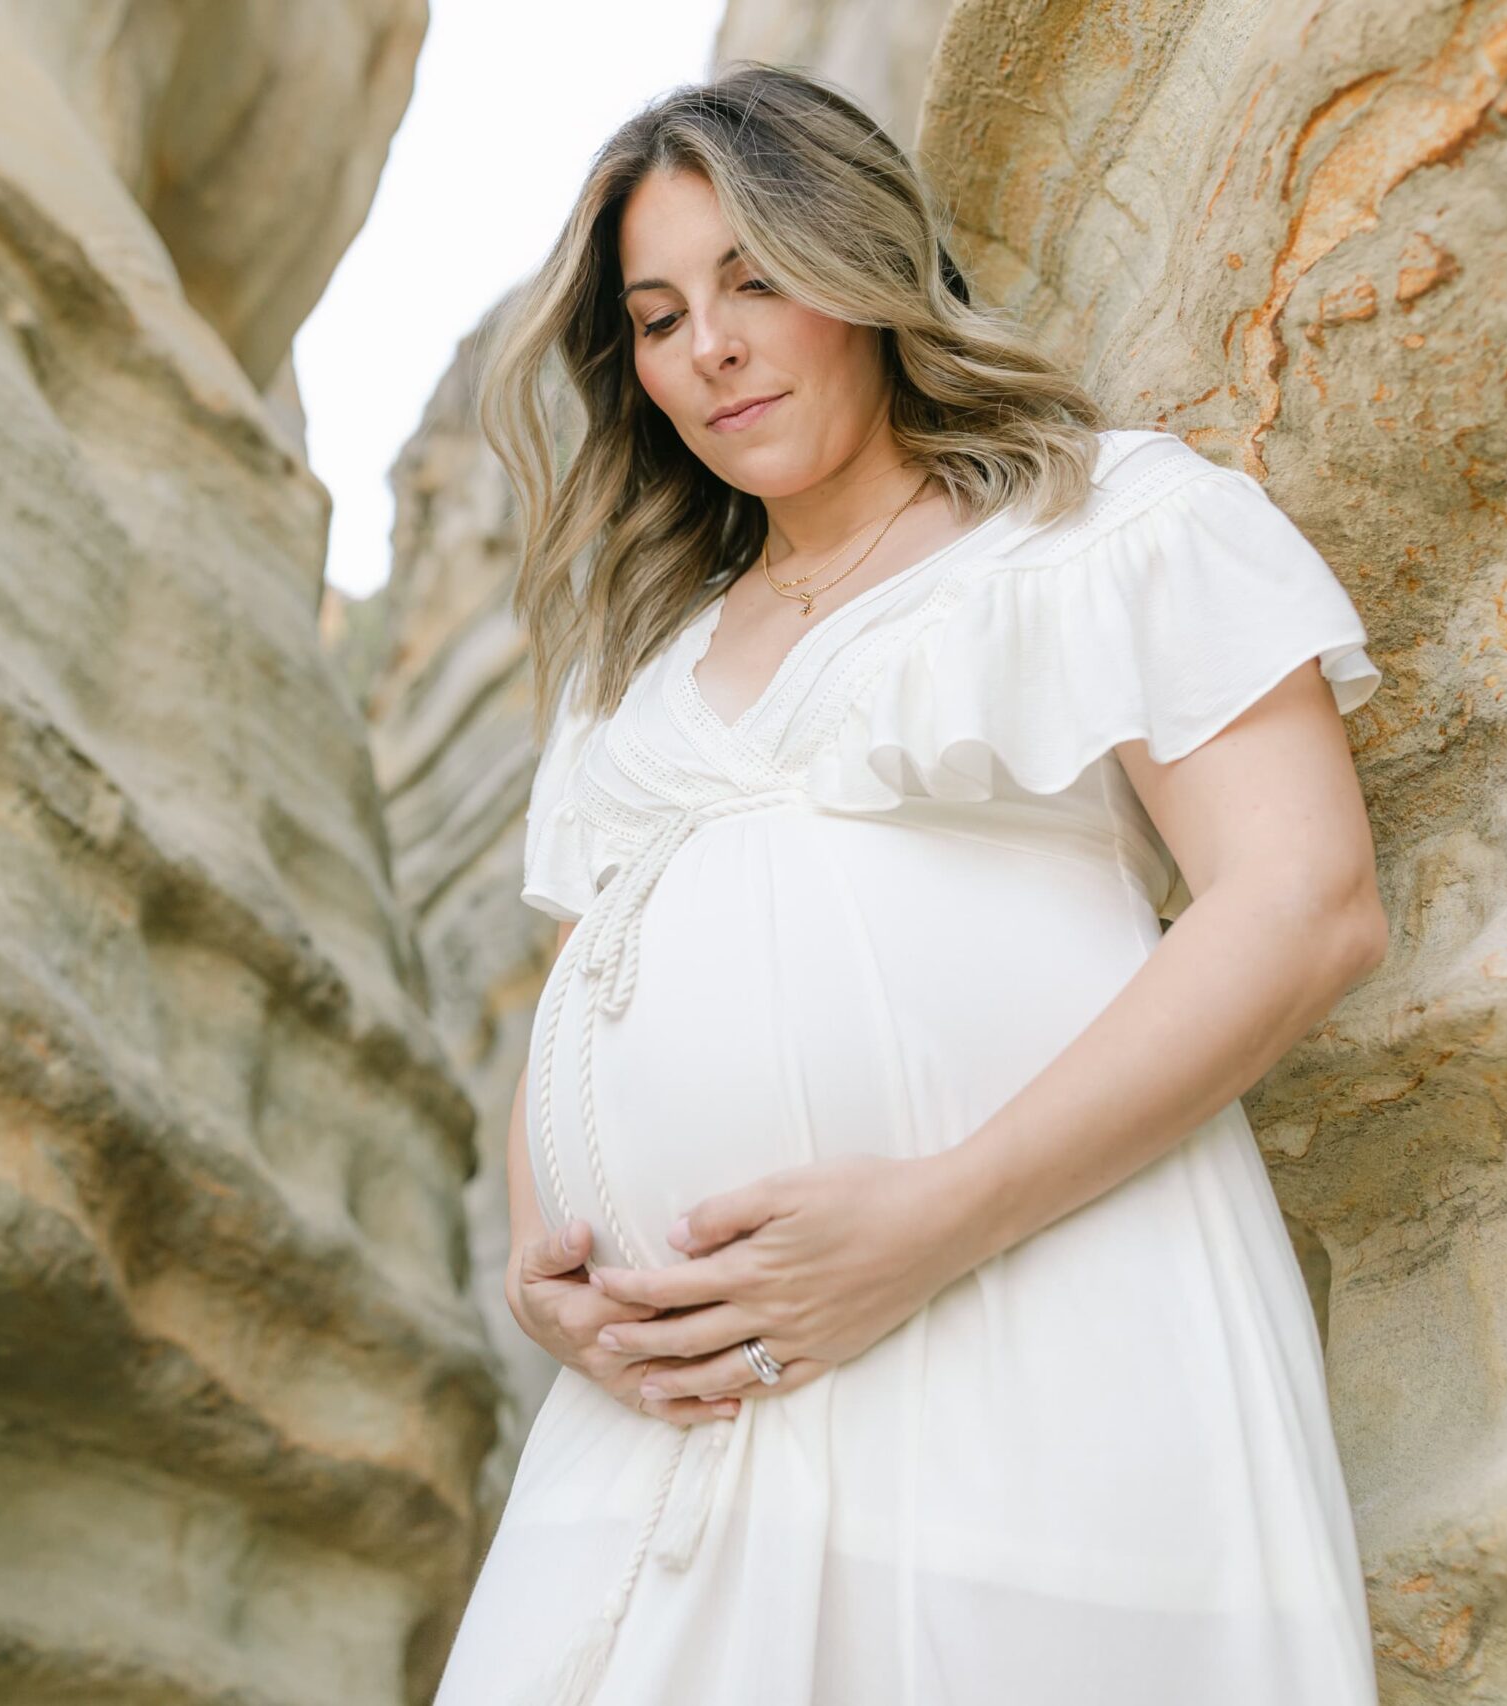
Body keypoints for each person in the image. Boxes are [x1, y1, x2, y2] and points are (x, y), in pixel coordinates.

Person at [434, 64, 1387, 1705]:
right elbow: (596, 958)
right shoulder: (636, 664)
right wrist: (551, 1262)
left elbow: (1303, 902)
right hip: (667, 1418)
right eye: (657, 317)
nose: (708, 348)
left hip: (1031, 1323)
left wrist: (929, 1220)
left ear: (867, 272)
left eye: (754, 279)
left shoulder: (1113, 527)